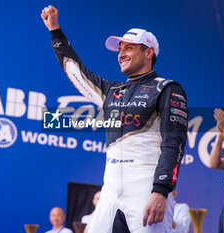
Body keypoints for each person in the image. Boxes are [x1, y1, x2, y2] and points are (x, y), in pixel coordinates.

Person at [41, 5, 188, 233]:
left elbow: (174, 144)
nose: (121, 54)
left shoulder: (167, 88)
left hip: (146, 187)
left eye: (128, 48)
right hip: (109, 190)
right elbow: (76, 72)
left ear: (149, 52)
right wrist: (55, 32)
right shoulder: (112, 91)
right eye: (120, 49)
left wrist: (161, 191)